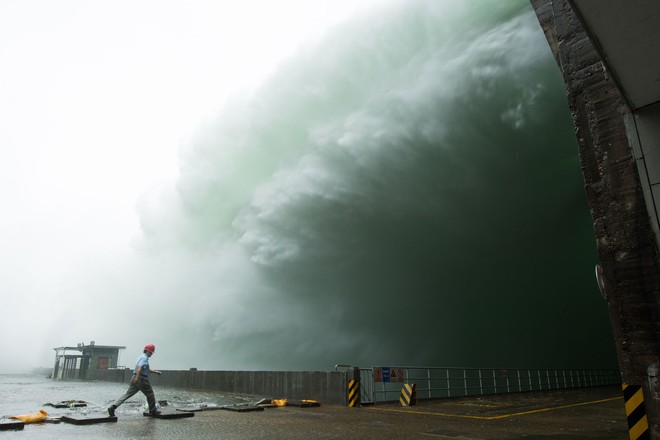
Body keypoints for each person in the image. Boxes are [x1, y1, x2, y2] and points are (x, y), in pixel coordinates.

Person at [108, 344, 163, 416]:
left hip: (134, 377)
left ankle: (113, 407)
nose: (152, 354)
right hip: (141, 379)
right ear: (148, 351)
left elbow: (145, 369)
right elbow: (139, 368)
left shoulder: (141, 356)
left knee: (127, 394)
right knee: (150, 394)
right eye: (151, 352)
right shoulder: (145, 358)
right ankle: (152, 411)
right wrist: (137, 378)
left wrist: (155, 372)